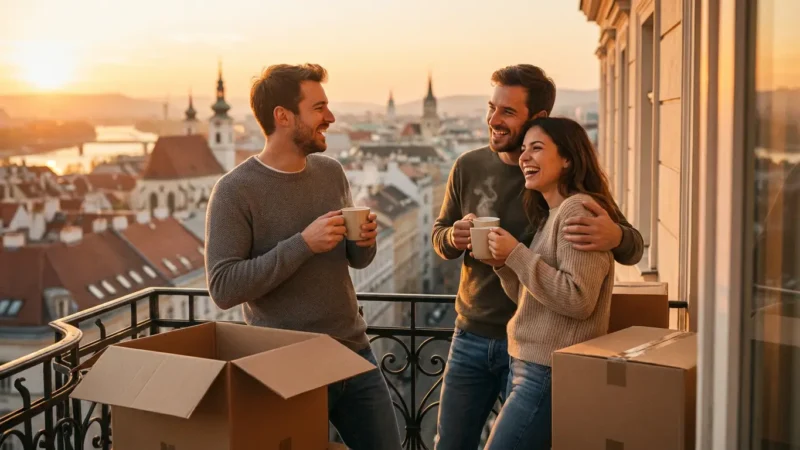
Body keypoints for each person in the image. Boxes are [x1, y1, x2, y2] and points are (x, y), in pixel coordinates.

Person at [430, 65, 644, 450]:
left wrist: (616, 235)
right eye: (491, 108)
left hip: (539, 347)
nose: (494, 120)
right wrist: (453, 237)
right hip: (473, 334)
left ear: (539, 118)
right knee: (451, 443)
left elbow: (630, 246)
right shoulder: (468, 166)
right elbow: (439, 236)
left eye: (508, 112)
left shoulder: (559, 186)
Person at [204, 63, 402, 450]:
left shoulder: (331, 172)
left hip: (352, 350)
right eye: (319, 108)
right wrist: (303, 244)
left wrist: (364, 241)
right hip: (285, 365)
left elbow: (356, 261)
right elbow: (223, 288)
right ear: (283, 116)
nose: (331, 117)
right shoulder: (234, 190)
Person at [478, 116, 617, 449]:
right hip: (529, 365)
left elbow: (578, 300)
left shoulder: (577, 210)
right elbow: (530, 298)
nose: (524, 157)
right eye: (524, 149)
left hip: (546, 370)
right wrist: (504, 264)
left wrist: (517, 253)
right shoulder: (551, 213)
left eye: (536, 148)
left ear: (567, 158)